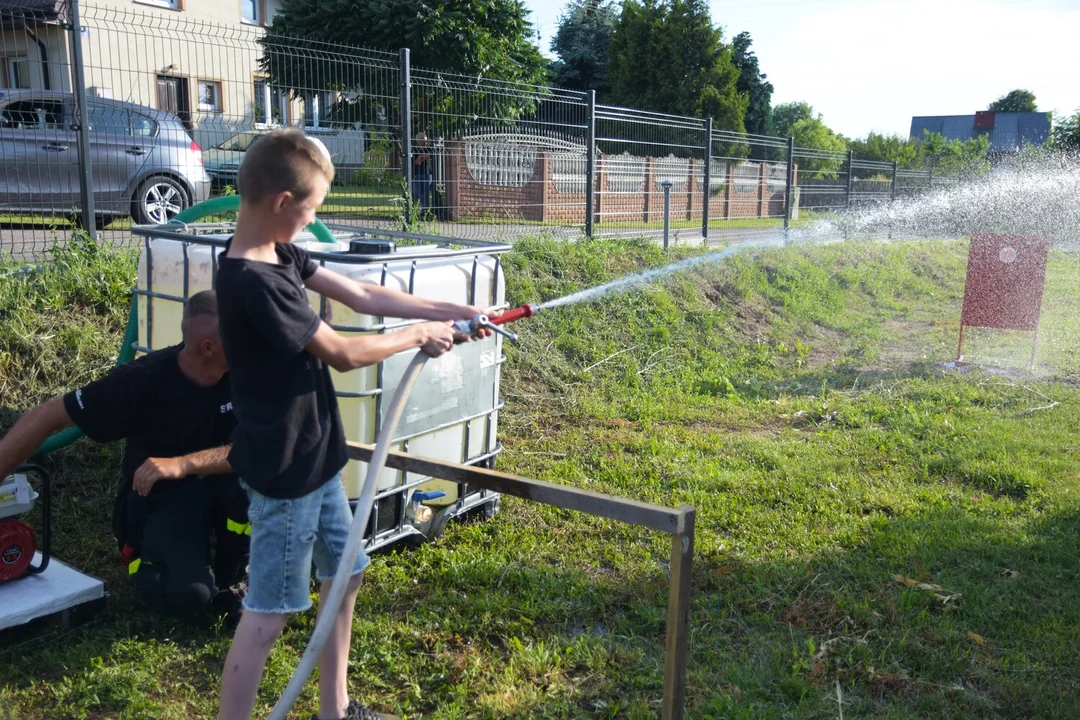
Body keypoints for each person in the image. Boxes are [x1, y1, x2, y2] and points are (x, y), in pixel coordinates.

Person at [214, 128, 494, 720]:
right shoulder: (253, 282)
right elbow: (340, 350)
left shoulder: (280, 255)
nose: (316, 219)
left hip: (316, 457)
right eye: (313, 209)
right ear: (282, 204)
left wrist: (456, 311)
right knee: (270, 612)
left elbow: (362, 295)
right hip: (285, 470)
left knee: (345, 579)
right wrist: (419, 335)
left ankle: (333, 711)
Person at [0, 290, 248, 622]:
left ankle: (241, 571)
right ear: (208, 348)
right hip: (167, 493)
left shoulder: (251, 373)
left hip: (229, 481)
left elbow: (263, 448)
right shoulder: (141, 381)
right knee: (184, 597)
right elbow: (48, 416)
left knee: (268, 476)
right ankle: (146, 549)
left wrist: (184, 463)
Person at [411, 132, 434, 214]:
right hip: (416, 174)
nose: (422, 141)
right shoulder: (414, 149)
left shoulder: (429, 149)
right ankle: (424, 207)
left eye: (423, 139)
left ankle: (424, 211)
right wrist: (422, 157)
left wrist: (421, 157)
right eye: (420, 139)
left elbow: (429, 156)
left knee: (425, 193)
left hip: (427, 174)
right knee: (416, 191)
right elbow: (417, 162)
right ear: (417, 140)